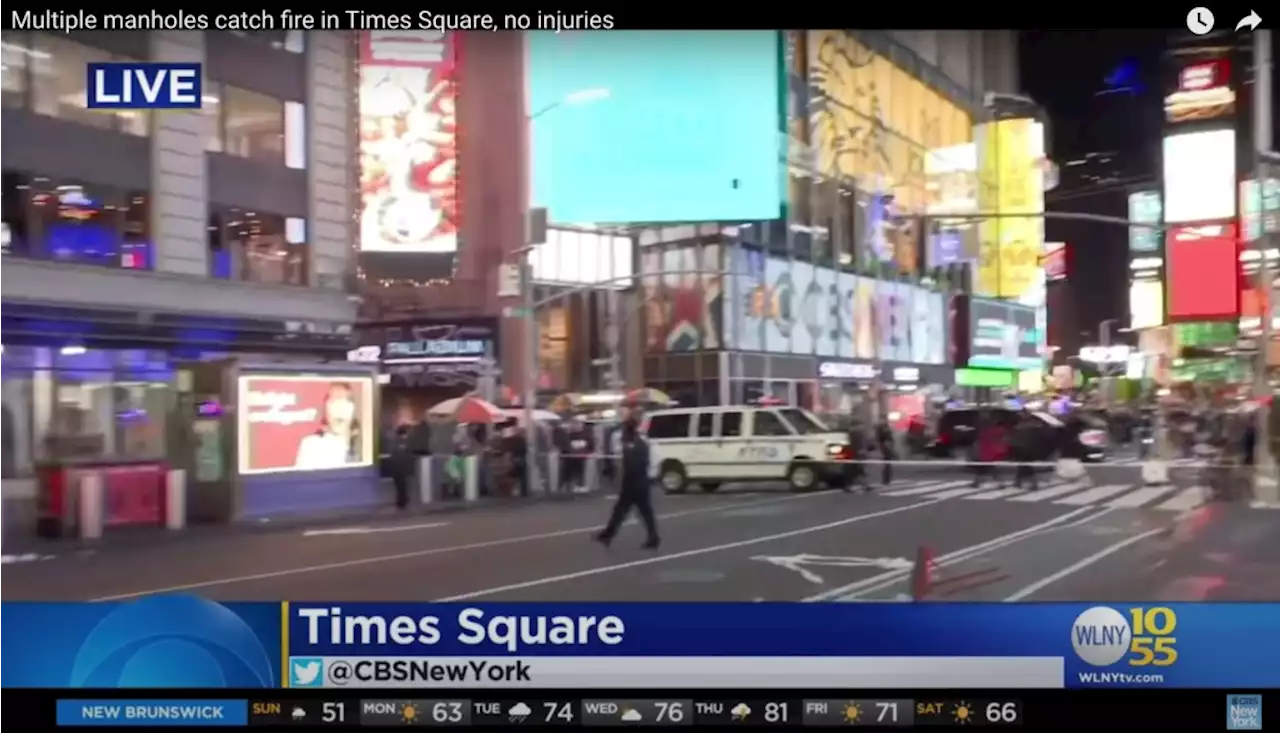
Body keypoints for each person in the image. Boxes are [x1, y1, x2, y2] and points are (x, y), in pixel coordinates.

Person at [594, 414, 660, 550]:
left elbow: (623, 462)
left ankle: (608, 534)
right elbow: (652, 459)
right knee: (640, 511)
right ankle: (652, 537)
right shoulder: (643, 440)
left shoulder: (626, 442)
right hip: (642, 480)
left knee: (624, 510)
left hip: (631, 481)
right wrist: (650, 475)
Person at [295, 382, 361, 469]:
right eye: (334, 401)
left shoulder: (366, 442)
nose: (339, 407)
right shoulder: (312, 445)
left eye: (345, 401)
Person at [970, 412, 1008, 488]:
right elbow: (1004, 439)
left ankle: (1000, 483)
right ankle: (977, 482)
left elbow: (981, 441)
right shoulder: (999, 430)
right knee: (987, 468)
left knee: (987, 468)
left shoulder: (987, 431)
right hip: (993, 452)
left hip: (988, 453)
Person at [388, 423, 415, 509]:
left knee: (400, 486)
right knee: (402, 486)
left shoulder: (395, 442)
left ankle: (401, 501)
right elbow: (407, 456)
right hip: (401, 468)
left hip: (397, 468)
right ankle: (402, 502)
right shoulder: (402, 443)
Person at [1010, 413, 1040, 491]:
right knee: (1024, 465)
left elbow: (1016, 438)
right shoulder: (1034, 426)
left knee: (1025, 466)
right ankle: (1018, 482)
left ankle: (1032, 483)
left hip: (1023, 448)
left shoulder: (1019, 427)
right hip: (1030, 448)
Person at [874, 418, 896, 486]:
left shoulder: (883, 427)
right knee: (887, 463)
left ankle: (887, 479)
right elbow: (883, 438)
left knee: (888, 463)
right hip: (885, 445)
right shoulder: (882, 428)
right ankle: (886, 480)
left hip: (886, 445)